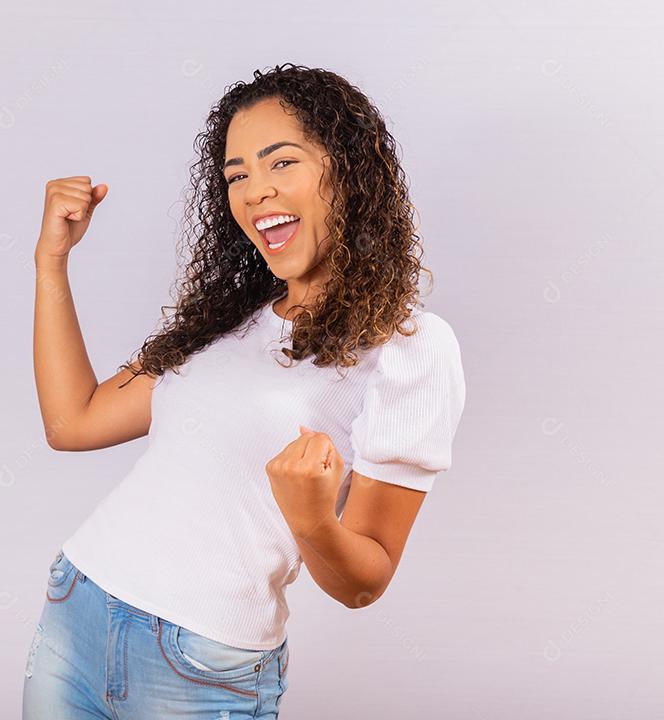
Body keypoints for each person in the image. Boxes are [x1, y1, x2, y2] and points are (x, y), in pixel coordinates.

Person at [24, 63, 467, 719]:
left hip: (199, 664)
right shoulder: (218, 315)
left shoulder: (410, 348)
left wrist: (313, 517)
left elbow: (363, 583)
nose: (256, 191)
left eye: (280, 163)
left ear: (346, 172)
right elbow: (73, 423)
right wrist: (50, 262)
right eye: (237, 176)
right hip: (79, 604)